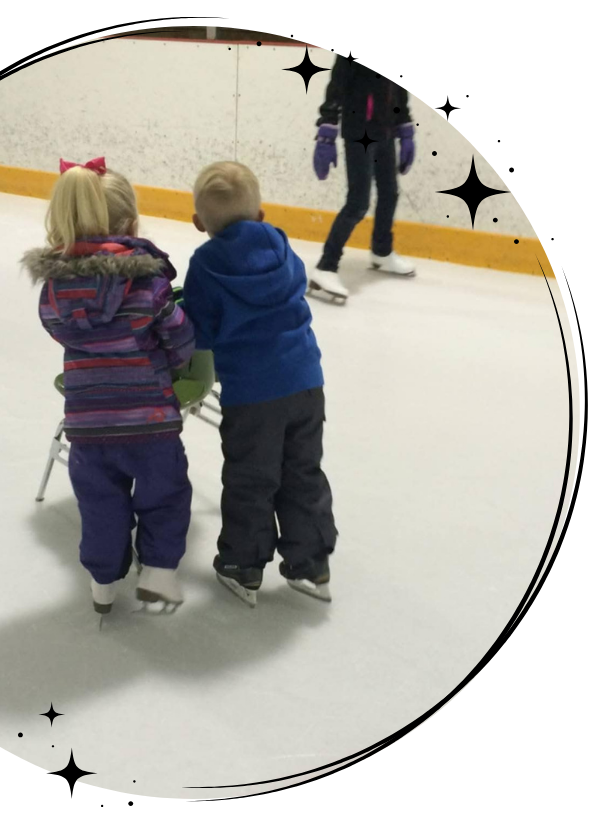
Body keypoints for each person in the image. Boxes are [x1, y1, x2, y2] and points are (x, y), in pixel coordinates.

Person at [22, 159, 196, 615]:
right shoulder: (149, 283)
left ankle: (103, 584)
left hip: (89, 425)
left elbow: (58, 331)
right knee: (165, 496)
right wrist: (173, 362)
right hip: (151, 422)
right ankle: (158, 573)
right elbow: (178, 337)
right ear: (131, 224)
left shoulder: (54, 292)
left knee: (101, 507)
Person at [182, 161, 337, 607]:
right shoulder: (280, 243)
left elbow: (199, 334)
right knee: (303, 471)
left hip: (252, 396)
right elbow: (298, 284)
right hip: (306, 383)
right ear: (261, 214)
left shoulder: (205, 264)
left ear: (198, 223)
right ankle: (311, 564)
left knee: (252, 477)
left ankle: (243, 565)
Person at [310, 57, 417, 302]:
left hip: (385, 130)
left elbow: (399, 90)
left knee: (390, 193)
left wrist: (405, 127)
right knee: (358, 203)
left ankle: (381, 251)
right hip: (359, 131)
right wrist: (327, 129)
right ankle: (325, 267)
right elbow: (336, 85)